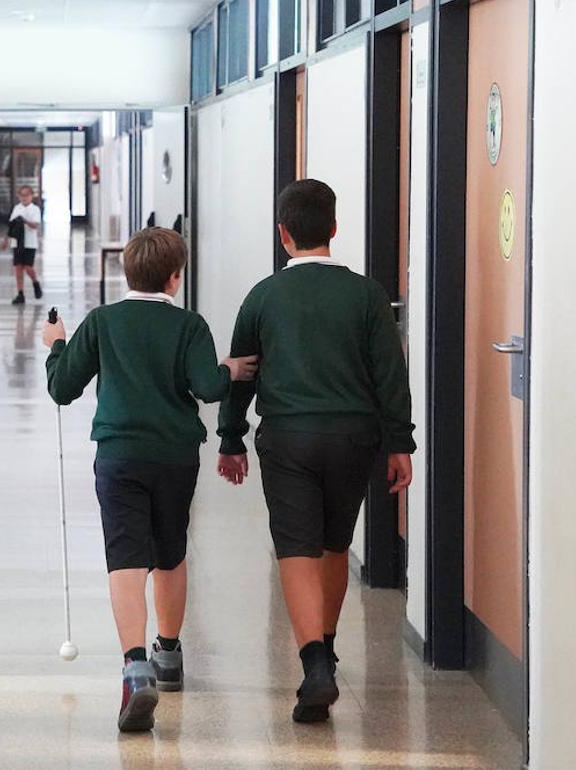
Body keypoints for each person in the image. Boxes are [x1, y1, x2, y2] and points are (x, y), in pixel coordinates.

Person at [42, 228, 259, 732]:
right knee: (170, 550)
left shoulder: (102, 322)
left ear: (127, 271)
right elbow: (207, 388)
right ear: (176, 277)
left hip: (119, 456)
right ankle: (170, 655)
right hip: (174, 456)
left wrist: (57, 346)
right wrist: (228, 370)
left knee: (125, 556)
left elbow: (62, 389)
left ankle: (134, 666)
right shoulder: (189, 326)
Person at [215, 179, 415, 724]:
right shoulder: (367, 295)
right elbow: (389, 375)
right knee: (333, 544)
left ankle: (315, 665)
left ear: (284, 234)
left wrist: (230, 438)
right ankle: (324, 645)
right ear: (333, 228)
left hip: (289, 439)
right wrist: (401, 441)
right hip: (354, 440)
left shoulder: (263, 296)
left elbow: (241, 375)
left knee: (295, 548)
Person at [2, 186, 43, 304]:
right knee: (18, 268)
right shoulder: (16, 208)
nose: (24, 198)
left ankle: (35, 282)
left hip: (30, 243)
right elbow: (11, 226)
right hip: (17, 242)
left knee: (28, 267)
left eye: (27, 195)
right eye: (22, 195)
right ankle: (20, 293)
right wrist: (6, 240)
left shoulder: (35, 209)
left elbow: (35, 225)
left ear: (31, 196)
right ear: (19, 196)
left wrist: (24, 221)